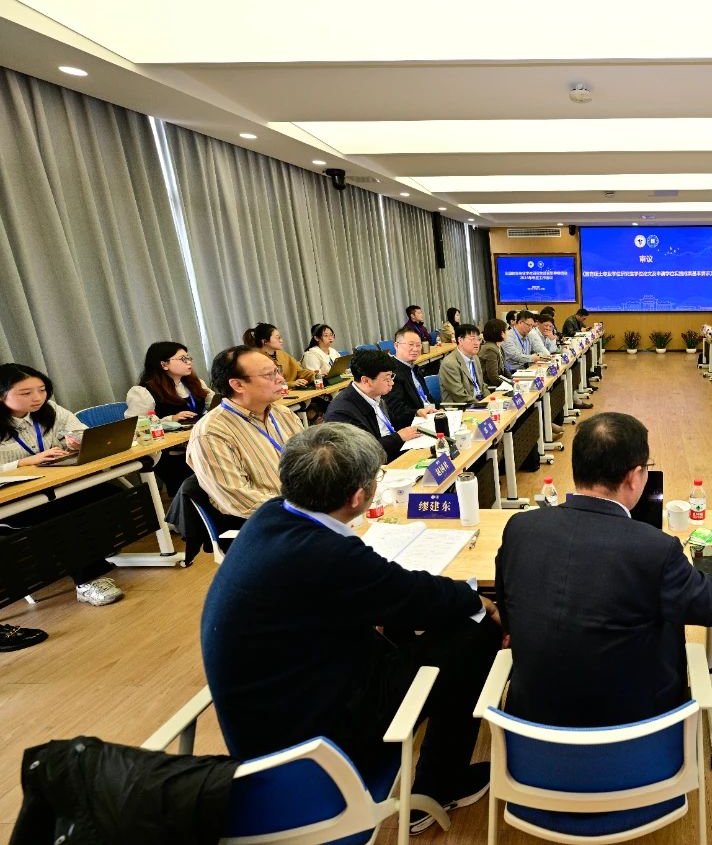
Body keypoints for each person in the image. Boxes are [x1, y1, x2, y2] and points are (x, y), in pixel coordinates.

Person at [201, 423, 502, 834]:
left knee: (409, 623)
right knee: (477, 632)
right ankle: (439, 786)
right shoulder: (326, 554)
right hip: (309, 741)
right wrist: (478, 600)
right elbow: (412, 597)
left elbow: (389, 594)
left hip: (270, 709)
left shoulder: (272, 516)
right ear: (359, 496)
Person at [495, 412, 712, 727]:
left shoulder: (519, 528)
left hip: (531, 733)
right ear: (634, 477)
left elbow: (506, 604)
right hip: (638, 734)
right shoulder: (656, 549)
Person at [0, 364, 123, 607]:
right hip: (14, 501)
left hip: (54, 487)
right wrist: (22, 462)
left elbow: (83, 433)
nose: (37, 397)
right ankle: (87, 581)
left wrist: (77, 442)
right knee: (64, 518)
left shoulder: (51, 410)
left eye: (42, 389)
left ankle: (94, 556)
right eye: (25, 393)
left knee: (112, 495)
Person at [186, 345, 305, 523]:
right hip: (266, 522)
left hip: (306, 507)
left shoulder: (283, 414)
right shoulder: (211, 433)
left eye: (277, 371)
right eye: (269, 374)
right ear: (238, 385)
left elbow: (311, 463)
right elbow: (239, 500)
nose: (280, 379)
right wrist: (304, 509)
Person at [124, 341, 211, 494]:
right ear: (164, 364)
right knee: (202, 481)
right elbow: (137, 428)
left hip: (198, 443)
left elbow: (215, 403)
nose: (189, 362)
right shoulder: (143, 392)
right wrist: (170, 420)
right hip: (169, 452)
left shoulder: (195, 383)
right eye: (183, 359)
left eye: (188, 358)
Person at [324, 351, 422, 462]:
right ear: (366, 381)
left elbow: (393, 423)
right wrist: (399, 437)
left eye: (391, 377)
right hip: (377, 464)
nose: (392, 383)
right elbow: (363, 452)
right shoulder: (341, 413)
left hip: (395, 450)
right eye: (387, 379)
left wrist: (416, 413)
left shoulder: (375, 394)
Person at [384, 327, 439, 427]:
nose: (415, 349)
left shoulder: (415, 368)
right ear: (396, 345)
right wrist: (417, 412)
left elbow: (427, 397)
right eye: (411, 345)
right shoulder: (391, 373)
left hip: (430, 417)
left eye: (418, 345)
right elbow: (396, 410)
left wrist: (439, 410)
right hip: (414, 424)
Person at [244, 322, 315, 387]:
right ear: (265, 341)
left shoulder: (282, 354)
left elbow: (299, 371)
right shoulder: (255, 359)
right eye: (278, 338)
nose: (281, 340)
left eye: (281, 337)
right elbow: (264, 384)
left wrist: (315, 376)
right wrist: (290, 384)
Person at [437, 325, 488, 406]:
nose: (477, 343)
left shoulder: (475, 357)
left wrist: (490, 400)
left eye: (478, 339)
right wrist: (483, 405)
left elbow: (482, 385)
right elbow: (460, 396)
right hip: (462, 408)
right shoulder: (450, 363)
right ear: (460, 340)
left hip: (479, 402)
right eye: (472, 339)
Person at [479, 319, 510, 387]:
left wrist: (512, 380)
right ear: (502, 333)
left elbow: (503, 369)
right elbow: (493, 377)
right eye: (507, 330)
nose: (509, 332)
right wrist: (509, 385)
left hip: (498, 384)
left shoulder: (499, 347)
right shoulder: (490, 349)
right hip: (490, 387)